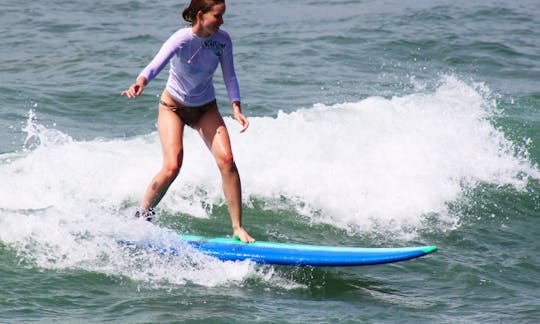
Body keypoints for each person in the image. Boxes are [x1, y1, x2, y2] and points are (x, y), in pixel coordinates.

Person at [121, 0, 255, 243]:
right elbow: (156, 63)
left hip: (205, 108)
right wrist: (141, 81)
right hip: (172, 107)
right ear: (201, 15)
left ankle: (237, 227)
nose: (222, 21)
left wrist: (236, 107)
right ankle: (141, 218)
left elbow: (230, 74)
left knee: (227, 161)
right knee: (172, 166)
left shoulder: (223, 40)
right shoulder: (181, 39)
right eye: (218, 16)